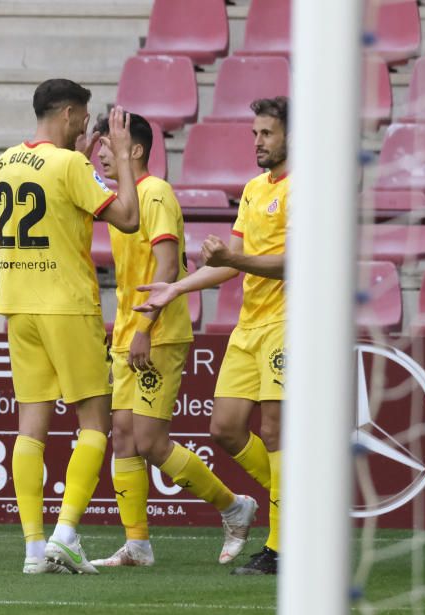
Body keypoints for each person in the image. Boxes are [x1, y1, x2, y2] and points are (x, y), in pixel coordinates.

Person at [87, 115, 257, 569]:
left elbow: (167, 267)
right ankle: (136, 545)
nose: (101, 153)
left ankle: (233, 506)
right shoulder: (124, 197)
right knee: (122, 437)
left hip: (156, 333)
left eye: (108, 145)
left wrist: (144, 329)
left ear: (136, 150)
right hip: (126, 331)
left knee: (149, 440)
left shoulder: (155, 193)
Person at [136, 97, 290, 576]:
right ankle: (306, 510)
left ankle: (284, 546)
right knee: (223, 428)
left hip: (290, 321)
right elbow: (232, 262)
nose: (257, 142)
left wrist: (232, 261)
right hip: (249, 323)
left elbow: (293, 261)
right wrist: (176, 287)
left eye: (266, 133)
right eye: (254, 134)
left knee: (273, 430)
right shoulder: (251, 189)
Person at [0, 79, 140, 574]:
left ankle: (34, 550)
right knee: (94, 422)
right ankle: (65, 534)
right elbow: (127, 217)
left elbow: (56, 204)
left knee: (30, 427)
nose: (88, 126)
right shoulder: (71, 164)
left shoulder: (5, 160)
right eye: (84, 116)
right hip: (67, 303)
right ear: (69, 113)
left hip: (18, 302)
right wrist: (121, 157)